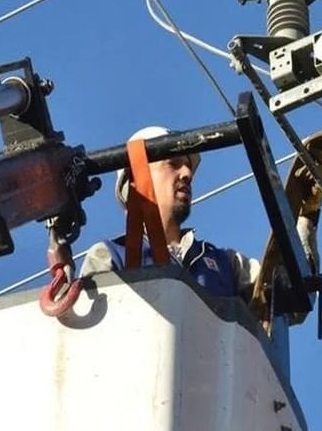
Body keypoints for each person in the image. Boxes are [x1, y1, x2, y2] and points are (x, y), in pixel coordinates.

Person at [80, 126, 258, 300]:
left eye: (188, 166)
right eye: (173, 164)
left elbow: (270, 287)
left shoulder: (229, 263)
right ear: (136, 181)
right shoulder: (110, 255)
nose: (187, 173)